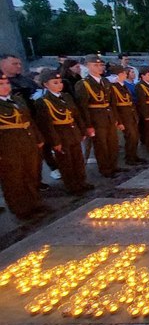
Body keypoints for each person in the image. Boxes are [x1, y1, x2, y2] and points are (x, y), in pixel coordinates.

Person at [34, 69, 93, 195]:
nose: (59, 85)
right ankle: (72, 186)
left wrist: (82, 131)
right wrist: (55, 142)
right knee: (66, 162)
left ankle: (81, 182)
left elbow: (76, 115)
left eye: (60, 82)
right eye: (55, 82)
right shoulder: (43, 102)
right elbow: (47, 125)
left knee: (78, 159)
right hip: (61, 135)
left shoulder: (66, 97)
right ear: (46, 84)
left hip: (73, 133)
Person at [0, 71, 47, 218]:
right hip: (8, 147)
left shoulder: (17, 100)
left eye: (7, 83)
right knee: (14, 179)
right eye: (1, 84)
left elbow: (29, 121)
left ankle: (34, 203)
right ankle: (20, 209)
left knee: (31, 175)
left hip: (28, 142)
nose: (5, 87)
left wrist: (38, 138)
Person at [74, 54, 122, 178]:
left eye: (101, 65)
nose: (99, 67)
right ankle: (105, 169)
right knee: (101, 146)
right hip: (96, 119)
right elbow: (83, 107)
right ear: (88, 66)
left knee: (113, 144)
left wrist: (116, 118)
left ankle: (113, 165)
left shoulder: (105, 81)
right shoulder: (83, 84)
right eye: (95, 65)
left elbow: (112, 102)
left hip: (108, 117)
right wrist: (88, 125)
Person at [108, 65, 144, 165]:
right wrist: (119, 120)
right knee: (130, 137)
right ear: (118, 74)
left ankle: (134, 156)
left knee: (135, 136)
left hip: (131, 114)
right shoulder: (113, 87)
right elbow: (114, 105)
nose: (125, 74)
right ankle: (129, 158)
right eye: (124, 73)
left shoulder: (123, 86)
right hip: (123, 116)